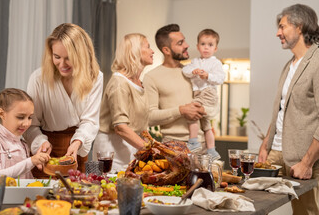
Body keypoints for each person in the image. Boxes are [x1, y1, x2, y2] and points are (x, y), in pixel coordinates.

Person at [258, 4, 319, 215]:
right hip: (276, 153)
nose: (278, 33)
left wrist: (306, 162)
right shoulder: (289, 65)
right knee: (253, 203)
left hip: (305, 159)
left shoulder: (317, 61)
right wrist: (265, 146)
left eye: (282, 27)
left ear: (299, 27)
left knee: (305, 213)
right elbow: (281, 110)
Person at [25, 23, 103, 175]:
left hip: (76, 150)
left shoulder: (95, 77)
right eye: (57, 57)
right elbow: (31, 125)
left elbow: (90, 121)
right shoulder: (37, 79)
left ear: (81, 55)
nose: (62, 64)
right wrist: (42, 143)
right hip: (45, 151)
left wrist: (76, 143)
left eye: (69, 58)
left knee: (77, 195)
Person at [143, 24, 210, 152]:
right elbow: (149, 117)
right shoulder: (151, 77)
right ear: (166, 50)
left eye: (184, 40)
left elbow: (209, 100)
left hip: (202, 145)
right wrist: (181, 110)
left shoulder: (192, 72)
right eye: (180, 43)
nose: (186, 45)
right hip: (173, 147)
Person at [92, 33, 154, 172]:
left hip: (132, 147)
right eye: (148, 47)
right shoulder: (119, 82)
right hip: (112, 150)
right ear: (135, 51)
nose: (152, 51)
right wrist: (152, 151)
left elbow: (140, 124)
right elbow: (120, 127)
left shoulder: (139, 83)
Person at [0, 88, 50, 178]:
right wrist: (30, 162)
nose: (27, 123)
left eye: (30, 117)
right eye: (20, 117)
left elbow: (25, 179)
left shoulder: (23, 144)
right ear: (2, 114)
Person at [182, 29, 225, 159]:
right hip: (198, 92)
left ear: (215, 48)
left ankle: (193, 141)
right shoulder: (195, 61)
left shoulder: (215, 62)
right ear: (197, 46)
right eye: (203, 44)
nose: (206, 47)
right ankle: (212, 150)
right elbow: (185, 70)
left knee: (192, 111)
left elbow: (221, 78)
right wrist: (193, 71)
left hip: (208, 92)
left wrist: (208, 76)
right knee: (206, 125)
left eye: (210, 45)